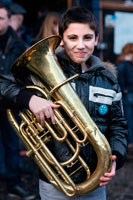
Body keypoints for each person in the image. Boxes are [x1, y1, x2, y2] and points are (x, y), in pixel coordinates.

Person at [0, 6, 128, 200]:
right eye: (72, 38)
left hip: (96, 182)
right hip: (54, 182)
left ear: (96, 38)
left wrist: (115, 157)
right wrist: (30, 99)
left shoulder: (109, 81)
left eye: (87, 38)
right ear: (61, 39)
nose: (81, 45)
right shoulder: (40, 75)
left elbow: (119, 125)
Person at [0, 3, 35, 200]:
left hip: (10, 103)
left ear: (9, 20)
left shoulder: (20, 44)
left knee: (12, 146)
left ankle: (13, 184)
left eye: (1, 18)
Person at [116, 43, 133, 145]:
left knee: (128, 120)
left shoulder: (121, 63)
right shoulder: (126, 64)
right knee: (129, 120)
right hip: (128, 94)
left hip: (127, 94)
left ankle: (130, 143)